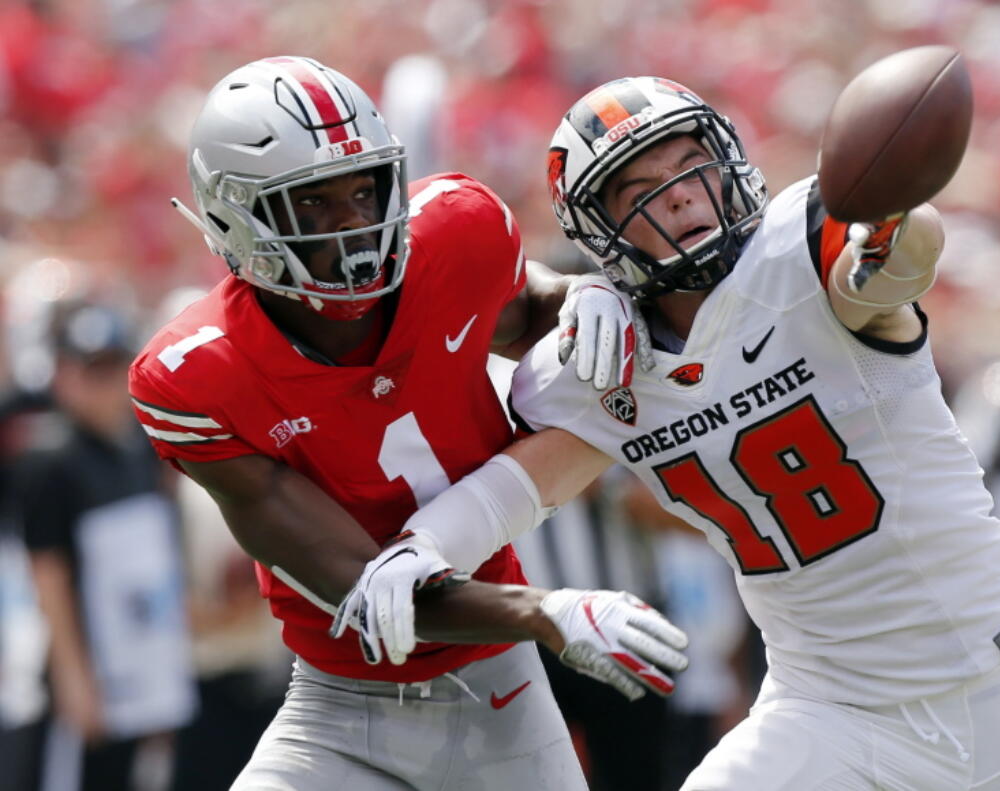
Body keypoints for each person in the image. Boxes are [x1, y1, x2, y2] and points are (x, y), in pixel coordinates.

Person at [344, 76, 1000, 790]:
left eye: (692, 166)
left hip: (996, 685)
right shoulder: (607, 365)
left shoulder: (804, 256)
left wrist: (898, 217)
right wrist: (422, 547)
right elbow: (520, 485)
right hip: (827, 708)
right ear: (600, 231)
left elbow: (900, 254)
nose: (680, 199)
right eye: (643, 191)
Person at [128, 57, 687, 790]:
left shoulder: (454, 233)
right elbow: (373, 594)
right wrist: (546, 610)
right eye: (314, 205)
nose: (357, 224)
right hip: (339, 712)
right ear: (239, 217)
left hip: (502, 696)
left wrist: (593, 298)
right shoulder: (197, 374)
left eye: (364, 190)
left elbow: (534, 311)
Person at [16, 301, 195, 790]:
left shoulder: (142, 444)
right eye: (90, 369)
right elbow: (47, 573)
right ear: (62, 373)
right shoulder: (49, 459)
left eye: (113, 366)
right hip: (93, 667)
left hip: (149, 657)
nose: (104, 383)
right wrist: (75, 680)